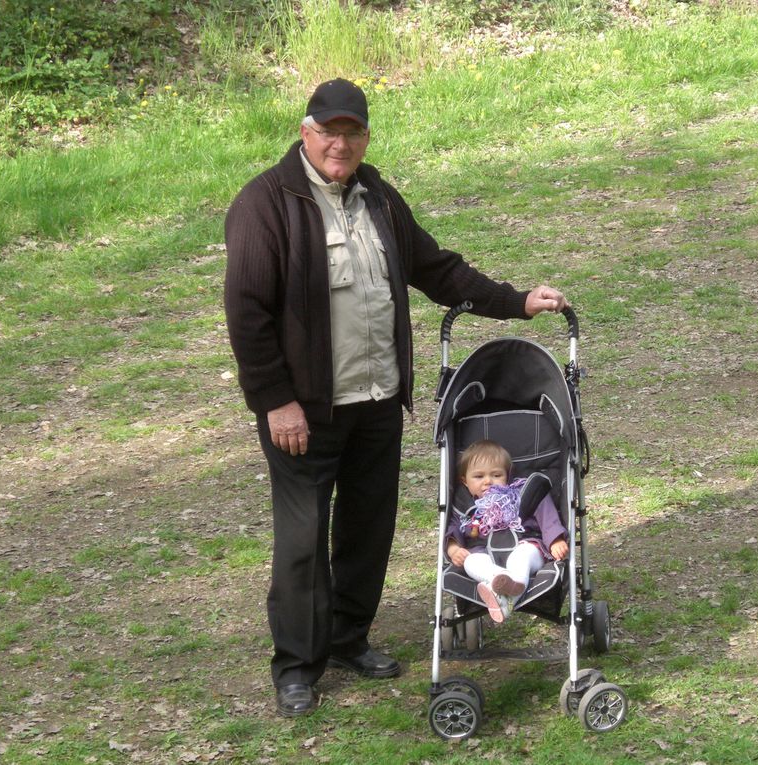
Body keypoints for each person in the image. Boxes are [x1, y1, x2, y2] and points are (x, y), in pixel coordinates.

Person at [223, 78, 569, 717]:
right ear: (306, 133)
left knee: (367, 527)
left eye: (353, 132)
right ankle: (298, 666)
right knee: (302, 539)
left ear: (365, 138)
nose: (340, 143)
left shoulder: (377, 195)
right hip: (305, 410)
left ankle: (349, 638)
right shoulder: (265, 204)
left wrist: (516, 302)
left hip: (377, 399)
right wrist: (276, 400)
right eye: (329, 131)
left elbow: (437, 271)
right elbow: (246, 312)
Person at [446, 440, 569, 623]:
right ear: (464, 481)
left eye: (496, 475)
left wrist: (555, 539)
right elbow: (453, 528)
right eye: (478, 477)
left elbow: (547, 513)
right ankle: (500, 584)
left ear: (508, 475)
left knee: (519, 557)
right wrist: (454, 549)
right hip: (484, 552)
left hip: (526, 545)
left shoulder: (520, 494)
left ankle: (504, 593)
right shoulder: (464, 506)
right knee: (471, 561)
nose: (488, 481)